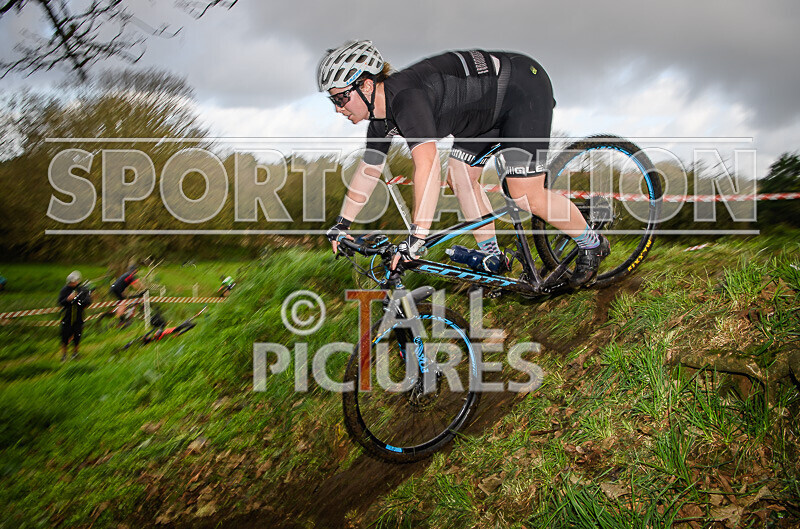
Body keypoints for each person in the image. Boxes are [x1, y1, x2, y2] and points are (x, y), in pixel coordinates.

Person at [320, 41, 609, 287]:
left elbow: (428, 166)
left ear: (366, 85)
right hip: (483, 116)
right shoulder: (380, 120)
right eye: (333, 100)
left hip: (521, 90)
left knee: (524, 193)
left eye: (341, 97)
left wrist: (417, 236)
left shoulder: (407, 99)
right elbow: (368, 170)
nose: (337, 107)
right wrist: (342, 224)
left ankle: (592, 244)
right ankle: (493, 257)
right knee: (459, 175)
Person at [58, 271, 91, 361]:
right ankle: (64, 356)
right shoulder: (65, 290)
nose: (72, 284)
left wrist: (81, 301)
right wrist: (68, 299)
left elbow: (88, 301)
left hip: (79, 316)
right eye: (71, 282)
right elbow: (60, 302)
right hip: (67, 316)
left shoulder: (82, 289)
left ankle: (75, 354)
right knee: (65, 336)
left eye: (74, 282)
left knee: (77, 335)